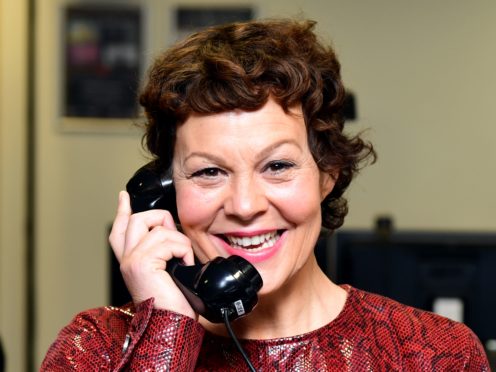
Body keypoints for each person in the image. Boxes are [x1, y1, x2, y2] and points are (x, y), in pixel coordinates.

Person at [41, 19, 489, 371]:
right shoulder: (94, 347)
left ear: (327, 172)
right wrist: (165, 332)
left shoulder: (431, 353)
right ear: (164, 191)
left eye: (277, 166)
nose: (245, 205)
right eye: (209, 172)